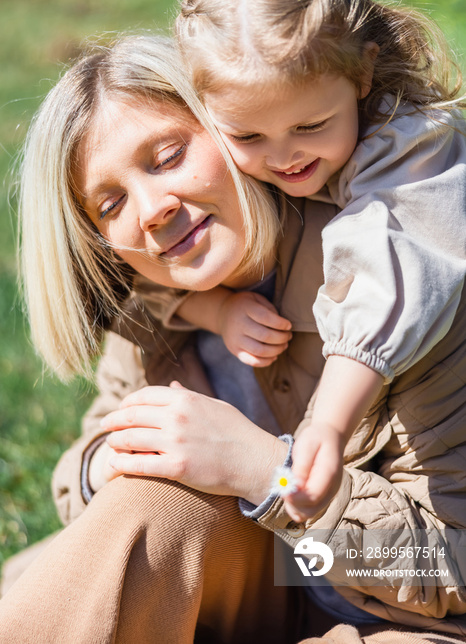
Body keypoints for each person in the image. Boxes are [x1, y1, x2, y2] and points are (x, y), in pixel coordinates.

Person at [1, 33, 466, 644]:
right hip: (241, 597)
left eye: (167, 156)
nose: (150, 211)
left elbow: (449, 570)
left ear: (233, 127)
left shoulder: (395, 279)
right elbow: (79, 480)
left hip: (398, 624)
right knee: (143, 503)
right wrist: (114, 461)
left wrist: (263, 471)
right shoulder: (153, 307)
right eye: (110, 203)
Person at [172, 0, 466, 522]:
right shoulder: (232, 164)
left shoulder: (412, 148)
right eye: (248, 137)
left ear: (361, 74)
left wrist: (328, 423)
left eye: (309, 125)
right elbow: (133, 283)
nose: (284, 157)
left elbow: (389, 269)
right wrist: (212, 309)